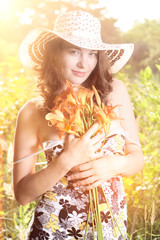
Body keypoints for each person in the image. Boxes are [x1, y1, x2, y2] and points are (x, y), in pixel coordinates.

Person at [13, 10, 144, 240]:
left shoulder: (115, 92)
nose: (84, 63)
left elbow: (137, 158)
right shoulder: (33, 111)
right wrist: (65, 161)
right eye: (74, 51)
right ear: (55, 53)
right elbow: (22, 195)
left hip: (110, 230)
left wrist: (114, 165)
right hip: (54, 231)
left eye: (92, 53)